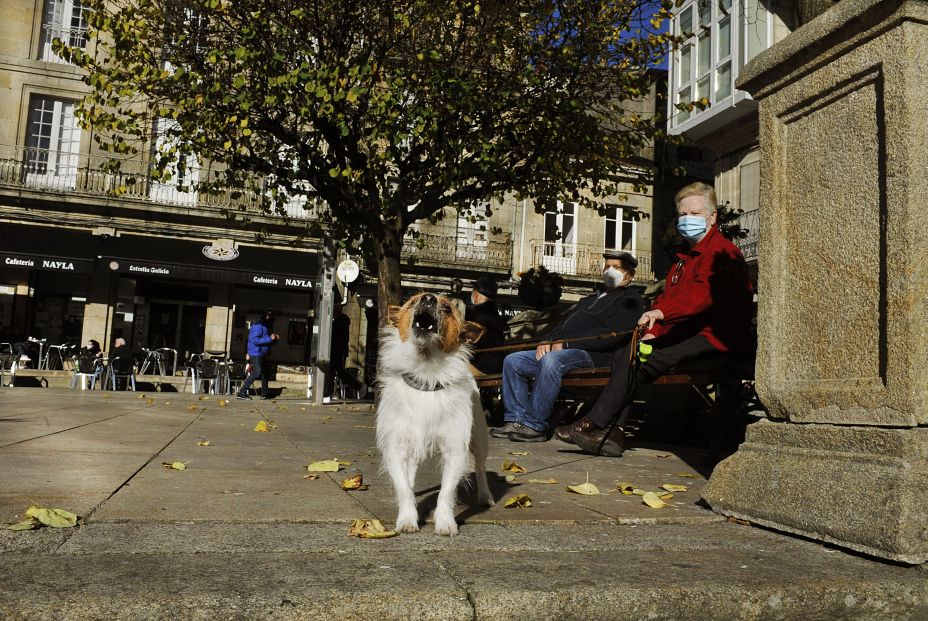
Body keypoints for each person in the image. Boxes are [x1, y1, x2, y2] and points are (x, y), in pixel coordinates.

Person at [562, 181, 754, 456]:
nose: (688, 220)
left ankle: (595, 423)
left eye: (696, 214)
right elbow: (669, 299)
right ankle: (611, 434)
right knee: (631, 352)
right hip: (693, 334)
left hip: (717, 337)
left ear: (712, 218)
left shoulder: (722, 252)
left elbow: (702, 296)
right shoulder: (683, 259)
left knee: (644, 360)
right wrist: (656, 330)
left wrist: (661, 314)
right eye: (683, 215)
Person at [492, 250, 644, 442]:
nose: (610, 271)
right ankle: (517, 419)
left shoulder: (631, 301)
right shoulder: (589, 299)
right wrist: (548, 340)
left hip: (596, 356)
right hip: (566, 351)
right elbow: (562, 327)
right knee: (513, 361)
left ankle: (535, 425)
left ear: (629, 274)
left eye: (616, 267)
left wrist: (566, 343)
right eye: (607, 267)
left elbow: (610, 336)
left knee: (552, 360)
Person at [466, 276, 507, 376]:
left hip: (482, 366)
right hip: (494, 364)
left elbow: (470, 344)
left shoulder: (476, 313)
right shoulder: (493, 312)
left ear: (475, 295)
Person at [236, 309, 279, 400]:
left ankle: (264, 393)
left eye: (272, 317)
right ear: (265, 317)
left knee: (265, 372)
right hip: (256, 352)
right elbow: (255, 341)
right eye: (269, 317)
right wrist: (270, 338)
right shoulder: (258, 326)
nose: (271, 319)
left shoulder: (266, 326)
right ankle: (241, 392)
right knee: (257, 372)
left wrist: (274, 339)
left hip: (262, 353)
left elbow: (267, 341)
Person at [328, 305, 365, 399]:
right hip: (338, 349)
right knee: (335, 371)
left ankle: (359, 385)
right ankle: (330, 392)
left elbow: (338, 337)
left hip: (337, 350)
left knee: (339, 371)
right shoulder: (340, 321)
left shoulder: (340, 321)